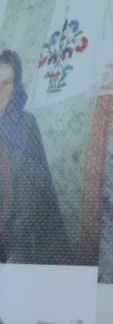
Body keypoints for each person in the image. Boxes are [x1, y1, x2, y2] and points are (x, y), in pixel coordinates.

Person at [0, 49, 70, 265]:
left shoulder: (27, 124)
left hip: (26, 238)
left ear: (16, 88)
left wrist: (57, 243)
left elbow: (44, 185)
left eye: (6, 83)